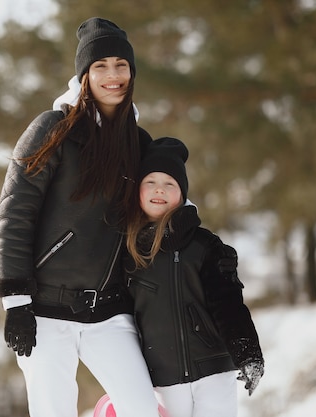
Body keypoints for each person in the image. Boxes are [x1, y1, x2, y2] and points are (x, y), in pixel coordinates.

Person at [0, 17, 159, 417]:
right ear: (84, 75)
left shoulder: (139, 142)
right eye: (100, 66)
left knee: (142, 409)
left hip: (108, 311)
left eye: (121, 65)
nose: (113, 75)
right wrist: (17, 302)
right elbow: (14, 215)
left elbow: (164, 199)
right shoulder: (52, 129)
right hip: (46, 310)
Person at [122, 136, 265, 417]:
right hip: (162, 378)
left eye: (169, 184)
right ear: (137, 190)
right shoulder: (127, 252)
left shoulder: (204, 245)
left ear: (181, 194)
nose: (159, 190)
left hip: (213, 368)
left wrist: (247, 353)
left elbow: (229, 304)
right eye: (150, 182)